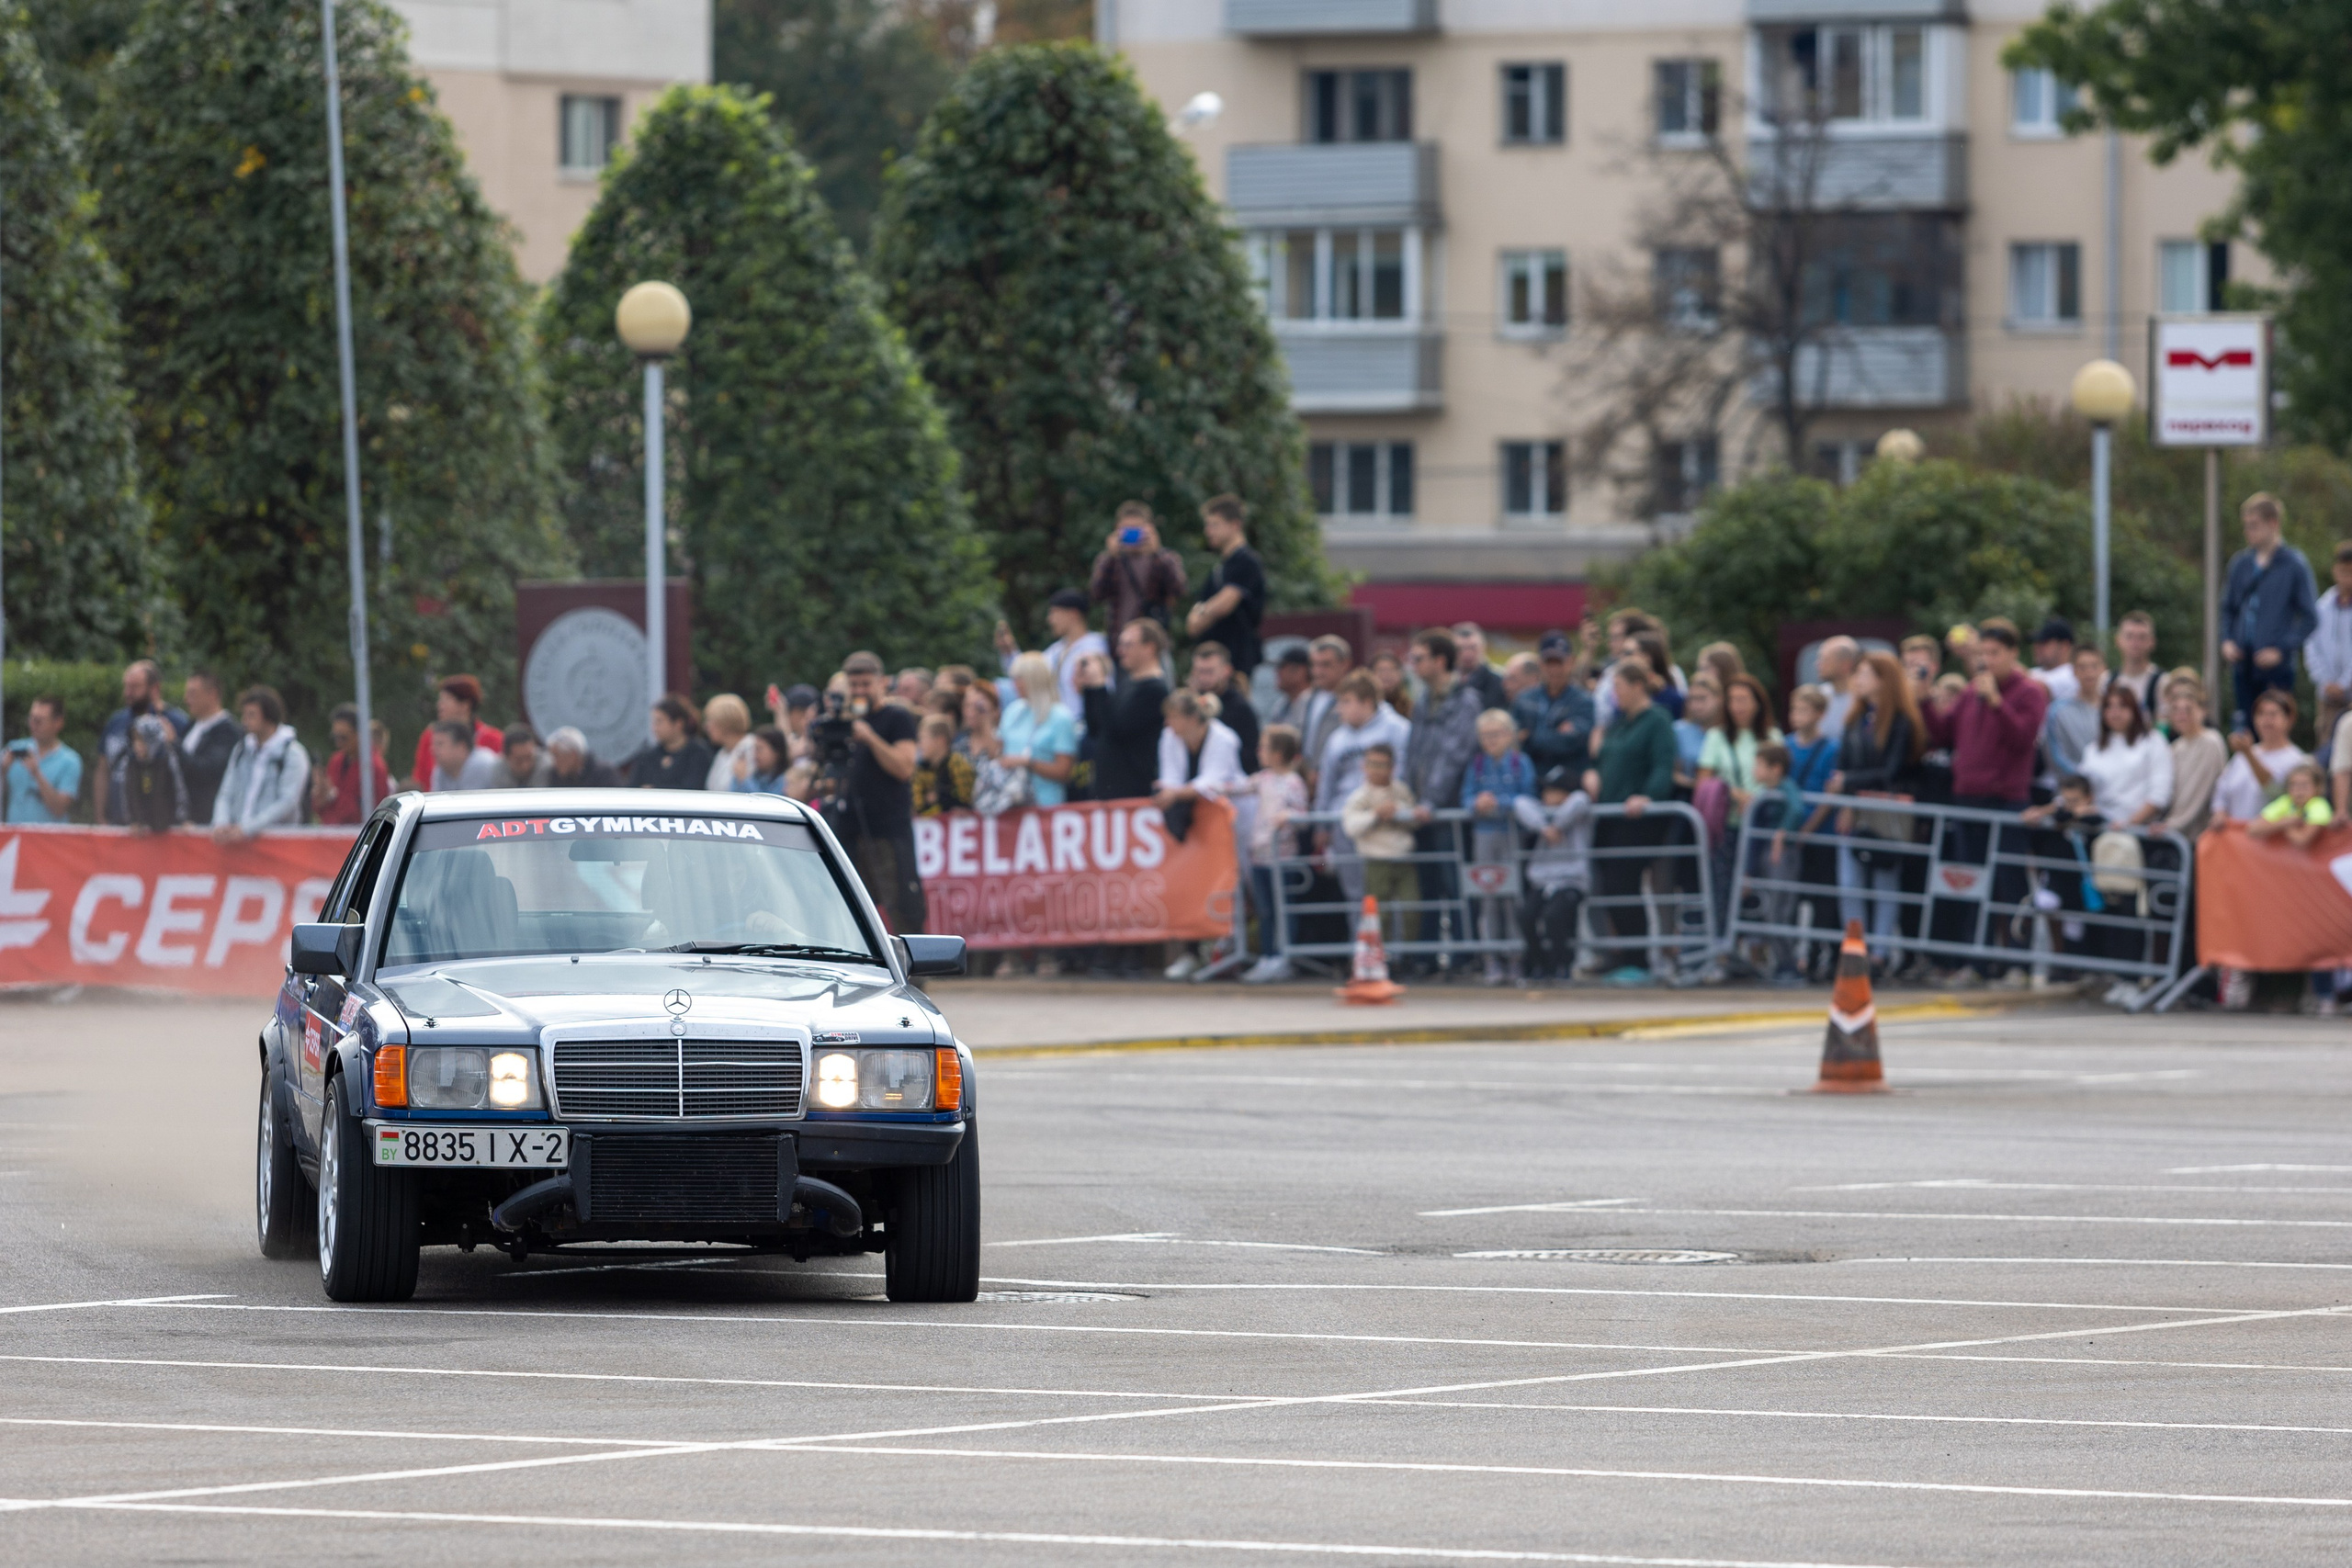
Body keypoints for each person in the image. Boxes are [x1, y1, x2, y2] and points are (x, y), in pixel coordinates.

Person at [1921, 618, 2048, 981]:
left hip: (2006, 801)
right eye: (1983, 653)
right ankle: (1975, 962)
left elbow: (2023, 738)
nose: (1987, 660)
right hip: (1968, 799)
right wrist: (1925, 700)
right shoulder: (1969, 692)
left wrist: (1995, 701)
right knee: (1971, 883)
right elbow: (1944, 734)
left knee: (2011, 883)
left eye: (1995, 653)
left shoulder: (2029, 692)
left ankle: (2019, 963)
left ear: (2013, 653)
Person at [1583, 659, 1678, 985]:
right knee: (1610, 887)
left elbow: (1663, 765)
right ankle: (1621, 954)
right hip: (1608, 816)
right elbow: (1603, 759)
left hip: (1636, 819)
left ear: (1638, 686)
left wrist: (1649, 796)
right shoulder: (1619, 723)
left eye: (1619, 687)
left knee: (1623, 883)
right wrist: (1592, 773)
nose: (1615, 694)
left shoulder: (1657, 721)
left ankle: (1639, 960)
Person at [1828, 651, 1923, 973]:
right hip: (1854, 808)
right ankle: (1855, 949)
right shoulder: (1855, 719)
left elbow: (1891, 772)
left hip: (1885, 811)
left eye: (1865, 673)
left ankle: (1880, 952)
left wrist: (1848, 783)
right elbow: (1844, 764)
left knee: (1885, 880)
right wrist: (1846, 800)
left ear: (1884, 679)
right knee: (1849, 883)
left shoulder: (1901, 721)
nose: (1858, 680)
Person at [1401, 629, 1482, 961]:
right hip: (1422, 811)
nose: (1413, 664)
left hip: (1448, 812)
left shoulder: (1466, 701)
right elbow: (1412, 752)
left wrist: (1430, 801)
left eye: (1419, 658)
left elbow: (1454, 756)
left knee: (1456, 885)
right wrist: (1408, 797)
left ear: (1440, 661)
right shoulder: (1423, 700)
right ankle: (1427, 957)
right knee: (1428, 886)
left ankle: (1465, 957)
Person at [835, 651, 925, 933]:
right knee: (853, 908)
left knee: (900, 904)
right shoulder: (845, 721)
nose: (859, 691)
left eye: (866, 684)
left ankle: (909, 959)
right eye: (854, 685)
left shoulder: (897, 717)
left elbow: (904, 768)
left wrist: (870, 738)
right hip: (850, 829)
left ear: (882, 682)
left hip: (887, 830)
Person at [2222, 491, 2319, 733]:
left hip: (2275, 667)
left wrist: (2282, 649)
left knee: (2273, 729)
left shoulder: (2293, 565)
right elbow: (2227, 608)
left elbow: (2310, 617)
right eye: (2246, 526)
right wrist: (2227, 640)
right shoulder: (2241, 564)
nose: (2248, 532)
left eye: (2254, 525)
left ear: (2273, 523)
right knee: (2245, 730)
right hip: (2243, 663)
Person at [1313, 671, 1413, 904]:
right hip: (1346, 822)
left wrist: (1392, 806)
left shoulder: (1397, 729)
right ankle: (1359, 930)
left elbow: (1404, 775)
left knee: (1388, 892)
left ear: (1367, 702)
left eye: (1346, 702)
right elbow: (1327, 783)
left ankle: (1388, 931)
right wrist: (1321, 824)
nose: (1339, 709)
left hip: (1385, 823)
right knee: (1354, 893)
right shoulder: (1337, 738)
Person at [1462, 708, 1537, 984]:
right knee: (1488, 898)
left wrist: (1500, 803)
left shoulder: (1520, 763)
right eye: (1485, 735)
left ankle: (1516, 959)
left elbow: (1528, 796)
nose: (1491, 740)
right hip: (1484, 836)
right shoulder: (1477, 765)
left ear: (1509, 735)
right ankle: (1492, 960)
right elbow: (1465, 797)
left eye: (1496, 734)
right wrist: (1476, 803)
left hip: (1511, 836)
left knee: (1512, 898)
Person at [1239, 725, 1310, 985]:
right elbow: (1238, 787)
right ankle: (1268, 956)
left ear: (1278, 754)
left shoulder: (1293, 783)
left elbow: (1303, 817)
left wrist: (1288, 817)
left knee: (1284, 910)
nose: (1259, 752)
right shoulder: (1262, 779)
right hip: (1260, 857)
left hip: (1283, 859)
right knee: (1265, 911)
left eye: (1263, 747)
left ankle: (1284, 957)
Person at [1078, 618, 1172, 802]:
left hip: (1132, 791)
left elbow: (1116, 730)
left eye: (1128, 645)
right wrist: (1090, 689)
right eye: (1120, 644)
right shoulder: (1127, 683)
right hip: (1107, 789)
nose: (1120, 651)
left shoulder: (1155, 690)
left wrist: (1100, 686)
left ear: (1149, 648)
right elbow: (1096, 728)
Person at [1514, 765, 1592, 984]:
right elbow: (1520, 803)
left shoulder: (1579, 812)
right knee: (1525, 916)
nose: (1547, 796)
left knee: (1554, 917)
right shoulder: (1542, 815)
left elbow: (1581, 800)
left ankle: (1562, 965)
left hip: (1572, 880)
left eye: (1554, 791)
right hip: (1542, 881)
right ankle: (1540, 964)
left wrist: (1557, 824)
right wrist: (1545, 828)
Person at [1340, 743, 1418, 947]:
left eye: (1382, 765)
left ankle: (1409, 954)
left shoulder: (1401, 790)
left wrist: (1397, 812)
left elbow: (1413, 817)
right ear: (1364, 766)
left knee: (1412, 908)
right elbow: (1351, 826)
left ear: (1392, 767)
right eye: (1372, 764)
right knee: (1380, 914)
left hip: (1403, 857)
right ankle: (1383, 955)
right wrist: (1375, 815)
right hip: (1376, 860)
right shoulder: (1359, 796)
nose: (1376, 770)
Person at [211, 686, 310, 842]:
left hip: (277, 842)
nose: (244, 720)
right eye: (244, 714)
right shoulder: (241, 750)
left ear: (269, 717)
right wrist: (221, 823)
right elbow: (226, 792)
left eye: (251, 715)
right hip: (236, 841)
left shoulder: (292, 754)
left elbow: (287, 802)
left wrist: (248, 828)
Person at [95, 660, 187, 826]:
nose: (127, 693)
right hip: (118, 824)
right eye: (126, 686)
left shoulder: (176, 723)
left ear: (155, 688)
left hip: (159, 827)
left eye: (135, 687)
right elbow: (103, 770)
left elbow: (183, 775)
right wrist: (100, 817)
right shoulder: (116, 722)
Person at [996, 588, 1108, 722]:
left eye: (1054, 612)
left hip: (1087, 723)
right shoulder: (1057, 650)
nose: (1050, 619)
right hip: (1060, 724)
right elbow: (1030, 672)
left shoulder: (1095, 646)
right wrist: (1009, 650)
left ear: (1073, 614)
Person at [1186, 494, 1267, 676]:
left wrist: (1200, 613)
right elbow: (1194, 624)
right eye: (1207, 525)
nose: (1208, 531)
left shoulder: (1246, 561)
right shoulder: (1222, 565)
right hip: (1216, 660)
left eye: (1214, 525)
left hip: (1236, 660)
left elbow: (1224, 605)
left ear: (1235, 525)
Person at [2074, 684, 2173, 828]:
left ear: (2134, 710)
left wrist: (2128, 824)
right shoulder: (2093, 749)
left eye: (2122, 706)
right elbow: (2080, 788)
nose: (2115, 713)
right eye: (2109, 707)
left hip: (2137, 828)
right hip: (2095, 824)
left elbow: (2160, 794)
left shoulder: (2153, 741)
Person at [1088, 502, 1188, 643]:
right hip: (1118, 639)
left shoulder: (1165, 558)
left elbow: (1179, 591)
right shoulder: (1110, 561)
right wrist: (1111, 557)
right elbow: (1096, 595)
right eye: (1127, 529)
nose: (1132, 534)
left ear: (1149, 528)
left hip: (1152, 641)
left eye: (1137, 528)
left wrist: (1157, 553)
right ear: (1117, 529)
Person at [2212, 687, 2309, 822]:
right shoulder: (2240, 757)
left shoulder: (2300, 761)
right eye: (2261, 714)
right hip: (2235, 832)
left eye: (2273, 714)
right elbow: (2221, 791)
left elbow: (2275, 791)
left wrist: (2249, 754)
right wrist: (2220, 812)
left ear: (2289, 719)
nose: (2266, 720)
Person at [1000, 650, 1080, 807]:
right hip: (1010, 804)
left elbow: (1065, 772)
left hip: (1046, 805)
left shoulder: (1061, 717)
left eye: (1019, 678)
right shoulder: (1013, 711)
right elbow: (999, 751)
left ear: (1033, 679)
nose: (1014, 684)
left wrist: (1028, 763)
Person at [1515, 631, 1594, 786]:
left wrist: (1531, 736)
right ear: (1540, 664)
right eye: (1549, 663)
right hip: (1528, 779)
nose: (1554, 669)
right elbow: (1513, 740)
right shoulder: (1525, 699)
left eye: (1559, 663)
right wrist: (1556, 733)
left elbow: (1572, 742)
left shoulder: (1583, 700)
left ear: (1571, 662)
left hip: (1568, 780)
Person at [409, 674, 502, 792]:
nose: (440, 705)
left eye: (446, 699)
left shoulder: (493, 739)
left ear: (465, 705)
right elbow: (419, 780)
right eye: (440, 700)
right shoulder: (429, 737)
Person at [2164, 672, 2227, 838]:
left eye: (2188, 709)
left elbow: (2198, 794)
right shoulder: (2175, 747)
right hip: (2174, 831)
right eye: (2176, 709)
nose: (2181, 715)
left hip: (2199, 833)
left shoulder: (2211, 742)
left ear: (2202, 711)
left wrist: (2171, 825)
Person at [5, 694, 81, 824]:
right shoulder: (14, 749)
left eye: (39, 720)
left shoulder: (70, 761)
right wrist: (2, 770)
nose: (33, 724)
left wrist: (36, 774)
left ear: (58, 723)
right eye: (31, 718)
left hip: (49, 836)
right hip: (15, 834)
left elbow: (59, 809)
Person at [1186, 640, 1260, 773]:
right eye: (1200, 671)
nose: (1203, 678)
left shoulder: (1241, 709)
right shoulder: (1188, 706)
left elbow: (1250, 757)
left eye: (1209, 672)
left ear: (1227, 670)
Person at [177, 670, 239, 825]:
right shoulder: (191, 726)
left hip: (208, 819)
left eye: (192, 693)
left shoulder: (228, 732)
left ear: (212, 694)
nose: (186, 699)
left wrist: (173, 745)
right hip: (183, 819)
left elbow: (207, 771)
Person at [312, 705, 391, 824]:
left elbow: (374, 812)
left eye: (343, 737)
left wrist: (333, 796)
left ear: (360, 734)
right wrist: (320, 795)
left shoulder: (375, 767)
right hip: (331, 832)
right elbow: (322, 809)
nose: (338, 743)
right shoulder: (335, 761)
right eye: (335, 737)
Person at [2042, 645, 2109, 785]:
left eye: (2094, 666)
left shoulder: (2115, 708)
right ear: (2073, 671)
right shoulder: (2058, 711)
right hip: (2073, 789)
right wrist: (2084, 778)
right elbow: (2055, 755)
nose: (2089, 672)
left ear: (2103, 668)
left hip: (2111, 787)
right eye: (2082, 667)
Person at [110, 713, 187, 834]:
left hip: (169, 825)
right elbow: (129, 793)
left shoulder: (167, 760)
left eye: (142, 741)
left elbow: (179, 790)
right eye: (135, 741)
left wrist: (183, 819)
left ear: (152, 740)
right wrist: (134, 820)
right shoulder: (131, 762)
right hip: (142, 827)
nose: (137, 746)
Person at [2310, 545, 2352, 753]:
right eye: (2343, 571)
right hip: (2326, 694)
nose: (2347, 578)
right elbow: (2311, 646)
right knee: (2326, 746)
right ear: (2335, 570)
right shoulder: (2322, 607)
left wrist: (2345, 683)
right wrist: (2324, 680)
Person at [627, 694, 717, 790]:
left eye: (659, 722)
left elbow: (693, 789)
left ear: (678, 724)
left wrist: (654, 789)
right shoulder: (647, 756)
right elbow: (633, 788)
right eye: (654, 722)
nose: (654, 728)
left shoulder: (699, 754)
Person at [1298, 636, 1353, 781]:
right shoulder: (1306, 699)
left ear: (1345, 664)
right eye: (1314, 664)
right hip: (1306, 778)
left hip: (1339, 777)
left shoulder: (1354, 701)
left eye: (1326, 665)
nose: (1318, 671)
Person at [912, 713, 972, 816]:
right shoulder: (921, 769)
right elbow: (917, 805)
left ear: (940, 740)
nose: (920, 744)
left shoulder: (958, 764)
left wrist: (939, 797)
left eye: (923, 738)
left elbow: (966, 800)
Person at [2109, 611, 2164, 723]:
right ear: (2118, 640)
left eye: (2142, 637)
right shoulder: (2106, 681)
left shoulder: (2163, 682)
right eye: (2129, 636)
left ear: (2152, 642)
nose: (2135, 643)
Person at [1672, 674, 1722, 795]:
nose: (1696, 706)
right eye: (1692, 699)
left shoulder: (1728, 732)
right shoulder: (1677, 731)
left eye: (1702, 698)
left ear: (1718, 699)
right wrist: (1697, 785)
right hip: (1688, 796)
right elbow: (1671, 772)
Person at [427, 718, 503, 793]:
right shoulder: (441, 770)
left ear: (461, 747)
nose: (432, 749)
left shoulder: (484, 764)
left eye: (440, 744)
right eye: (433, 745)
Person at [701, 694, 756, 793]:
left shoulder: (752, 749)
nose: (706, 726)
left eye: (710, 721)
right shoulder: (723, 752)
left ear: (725, 723)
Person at [1450, 622, 1508, 711]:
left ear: (1483, 647)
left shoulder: (1499, 681)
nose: (1467, 654)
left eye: (1473, 648)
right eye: (1460, 649)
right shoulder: (1443, 680)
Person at [1812, 637, 1860, 738]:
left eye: (1825, 659)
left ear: (1846, 664)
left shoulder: (1862, 698)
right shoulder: (1818, 696)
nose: (1817, 664)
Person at [731, 727, 796, 797]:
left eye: (760, 749)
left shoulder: (786, 780)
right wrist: (738, 779)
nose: (755, 754)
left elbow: (766, 801)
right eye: (754, 749)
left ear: (776, 752)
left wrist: (745, 779)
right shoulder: (755, 775)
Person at [2028, 619, 2080, 705]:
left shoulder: (2073, 674)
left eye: (2044, 642)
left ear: (2064, 646)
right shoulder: (2033, 672)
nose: (2036, 647)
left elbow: (2036, 689)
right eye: (2036, 642)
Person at [546, 727, 620, 788]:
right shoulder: (556, 775)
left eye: (556, 756)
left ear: (573, 754)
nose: (553, 762)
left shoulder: (604, 774)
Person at [1262, 645, 1315, 729]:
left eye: (1282, 666)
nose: (1277, 672)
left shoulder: (1315, 705)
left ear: (1301, 671)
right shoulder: (1281, 705)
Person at [488, 724, 553, 790]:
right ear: (506, 757)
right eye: (519, 761)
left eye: (529, 758)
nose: (525, 766)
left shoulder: (547, 765)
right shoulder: (498, 769)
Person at [1370, 649, 1412, 720]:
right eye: (1381, 670)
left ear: (1400, 674)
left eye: (1391, 670)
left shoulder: (1410, 708)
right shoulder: (1367, 708)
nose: (1386, 675)